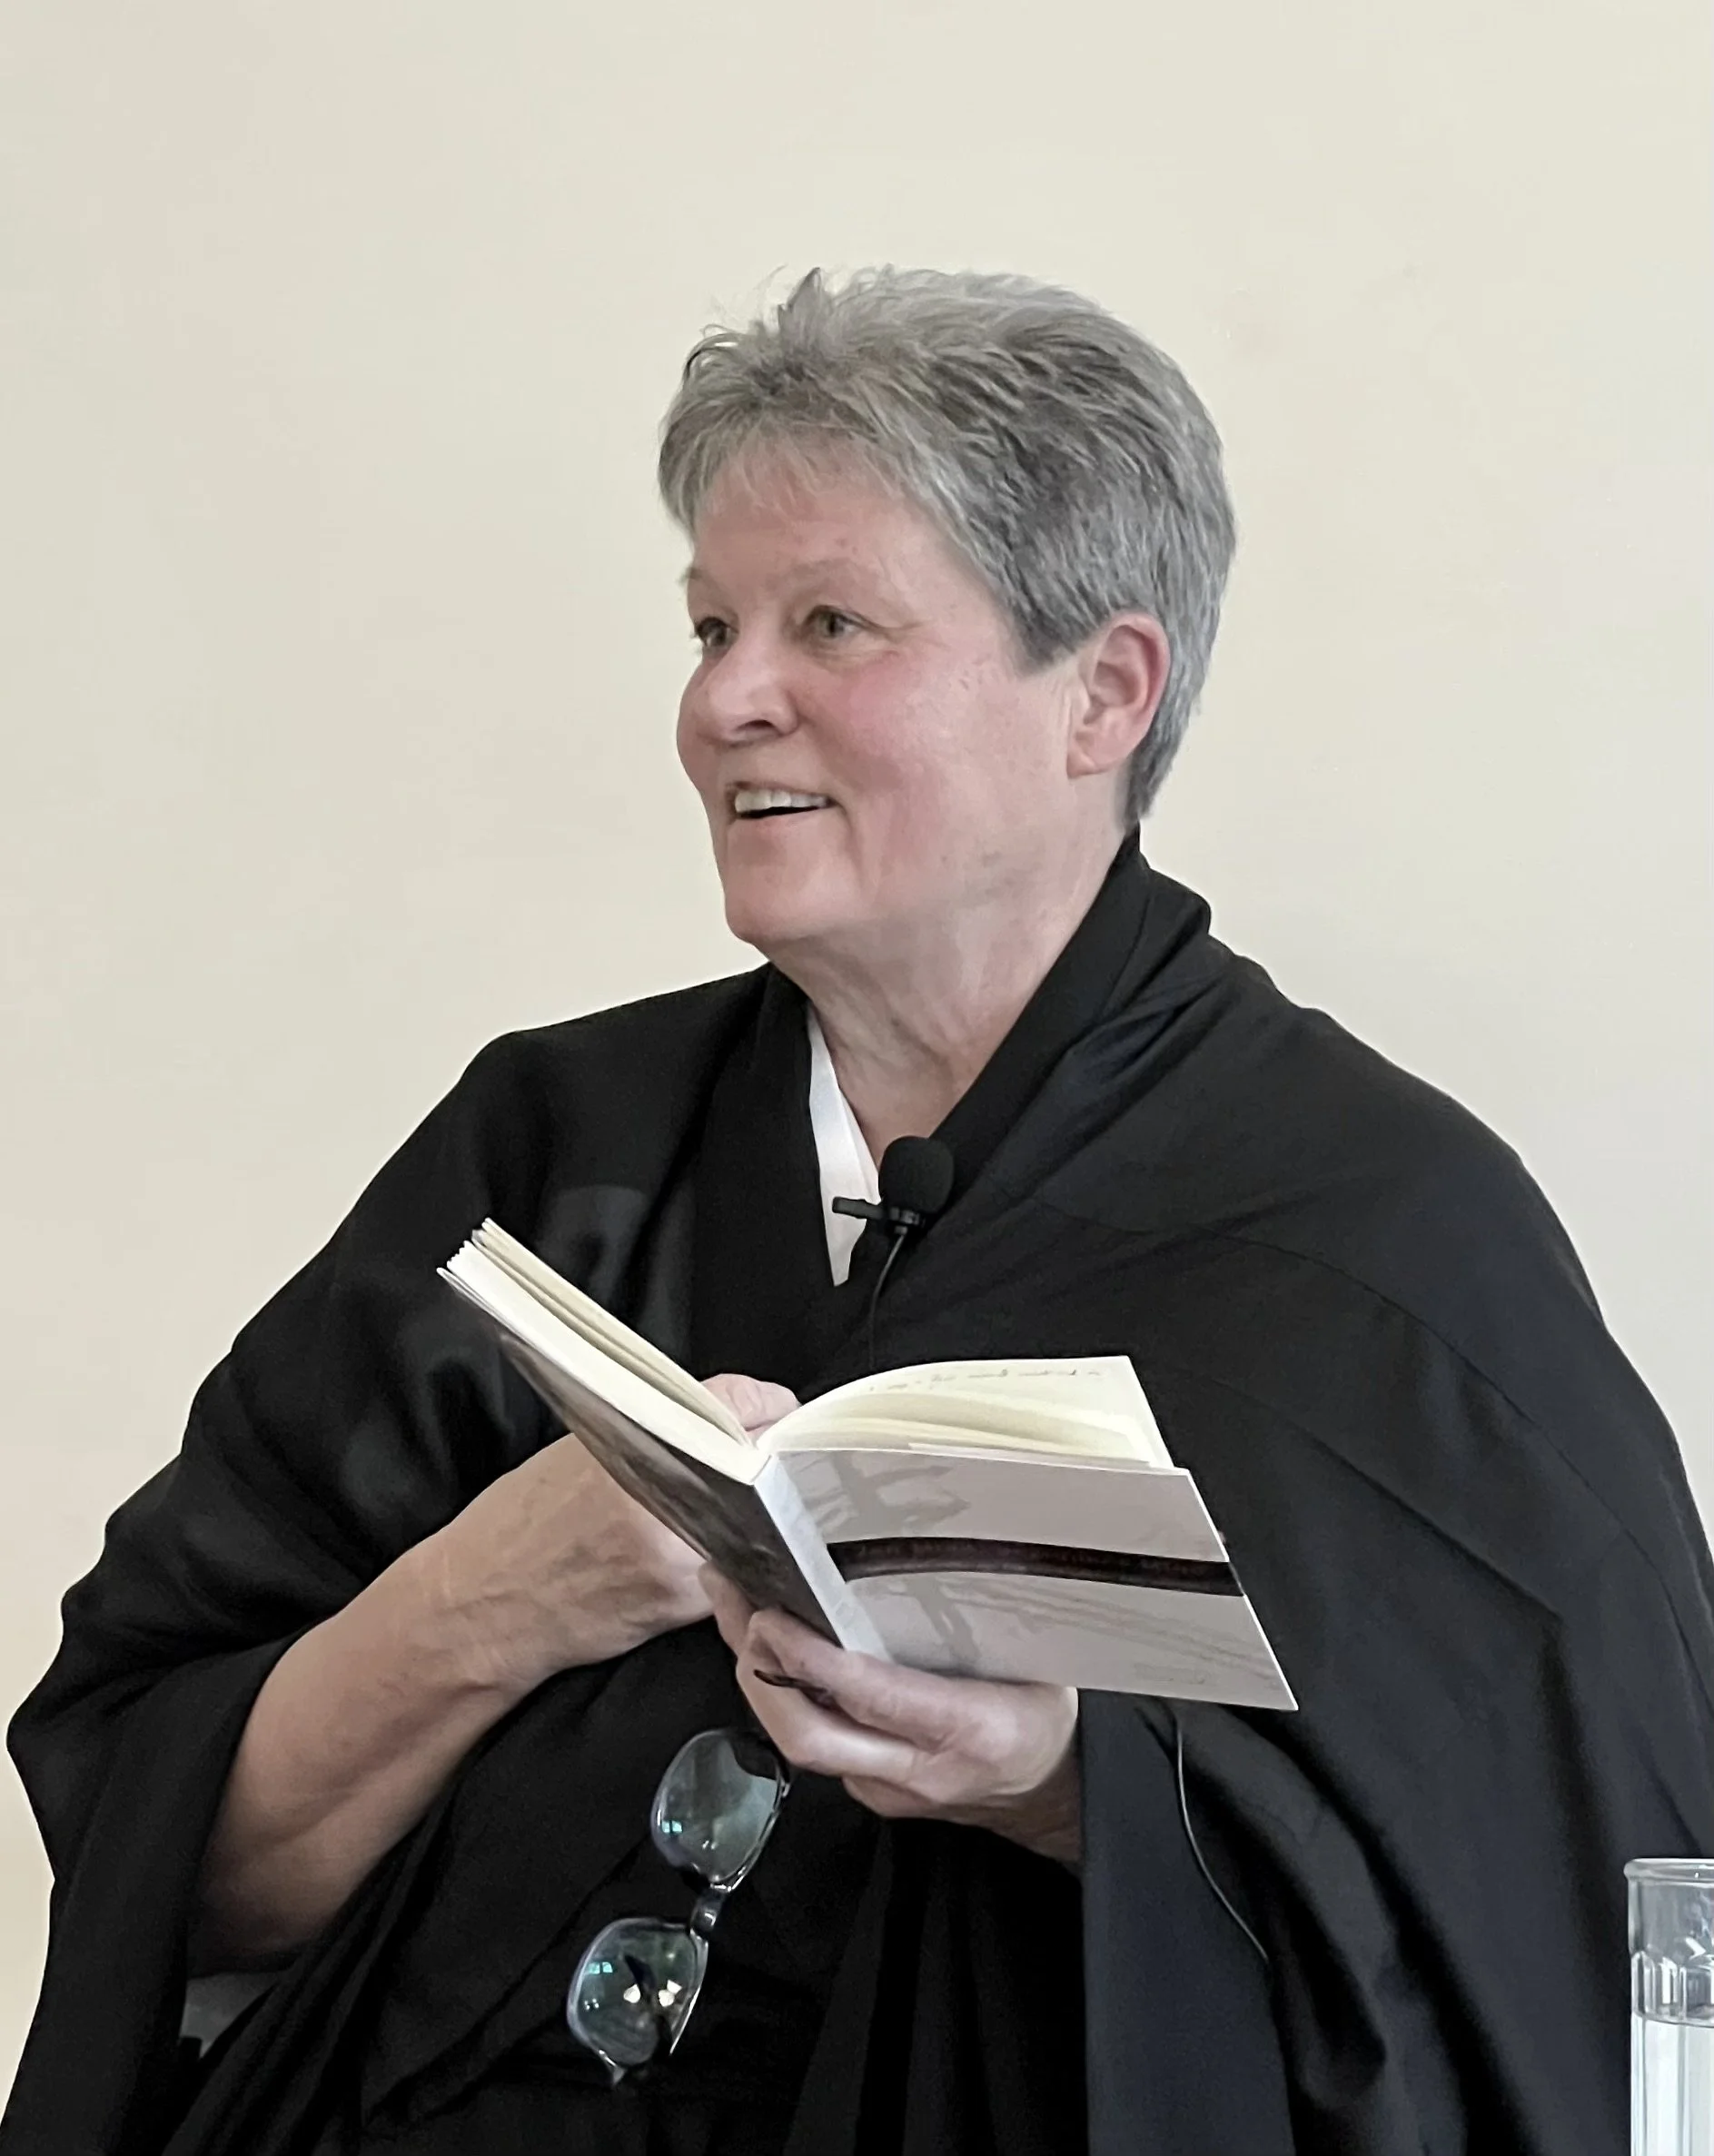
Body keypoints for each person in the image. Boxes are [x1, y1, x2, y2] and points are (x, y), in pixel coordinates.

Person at [4, 267, 1711, 2156]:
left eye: (831, 622)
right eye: (712, 623)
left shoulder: (1375, 1246)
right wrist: (502, 1592)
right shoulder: (558, 1150)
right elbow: (168, 1854)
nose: (728, 698)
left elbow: (1580, 1941)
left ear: (1104, 691)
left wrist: (1077, 1792)